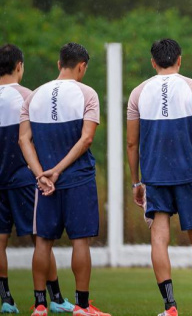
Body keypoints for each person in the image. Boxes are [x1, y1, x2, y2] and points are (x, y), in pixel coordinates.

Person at [126, 39, 192, 316]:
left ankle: (170, 307)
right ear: (180, 60)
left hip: (154, 176)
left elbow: (131, 144)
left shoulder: (138, 92)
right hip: (187, 175)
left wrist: (136, 182)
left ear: (153, 62)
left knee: (159, 239)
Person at [18, 43, 109, 316]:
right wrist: (58, 170)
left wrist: (41, 174)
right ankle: (82, 305)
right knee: (80, 241)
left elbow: (24, 139)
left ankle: (39, 305)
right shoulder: (87, 94)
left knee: (43, 240)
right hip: (77, 178)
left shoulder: (33, 96)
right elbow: (87, 138)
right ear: (82, 66)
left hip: (44, 182)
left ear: (59, 64)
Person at [0, 44, 75, 314]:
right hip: (22, 178)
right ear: (19, 65)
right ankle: (52, 297)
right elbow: (33, 139)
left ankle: (6, 299)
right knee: (40, 239)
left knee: (0, 241)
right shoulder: (30, 97)